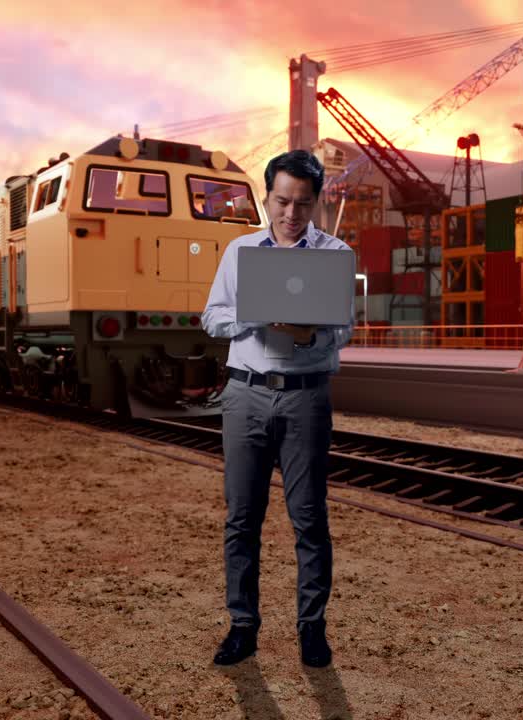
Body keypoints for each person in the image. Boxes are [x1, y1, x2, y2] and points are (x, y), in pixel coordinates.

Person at [202, 149, 354, 668]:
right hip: (245, 394)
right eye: (283, 201)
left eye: (303, 204)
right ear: (267, 197)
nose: (292, 214)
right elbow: (211, 317)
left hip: (306, 395)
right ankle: (242, 627)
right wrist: (254, 315)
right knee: (242, 518)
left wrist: (312, 332)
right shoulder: (239, 251)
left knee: (309, 518)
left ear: (317, 203)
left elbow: (344, 329)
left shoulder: (335, 254)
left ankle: (312, 630)